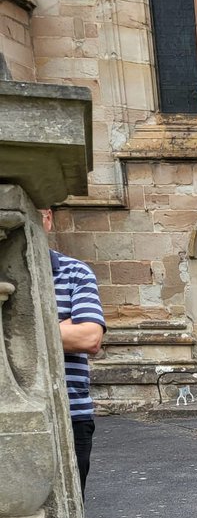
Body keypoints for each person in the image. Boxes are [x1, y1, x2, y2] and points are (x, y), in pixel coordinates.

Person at [40, 208, 106, 497]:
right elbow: (77, 334)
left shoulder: (74, 272)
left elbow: (90, 338)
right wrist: (60, 326)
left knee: (71, 512)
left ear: (48, 217)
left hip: (71, 414)